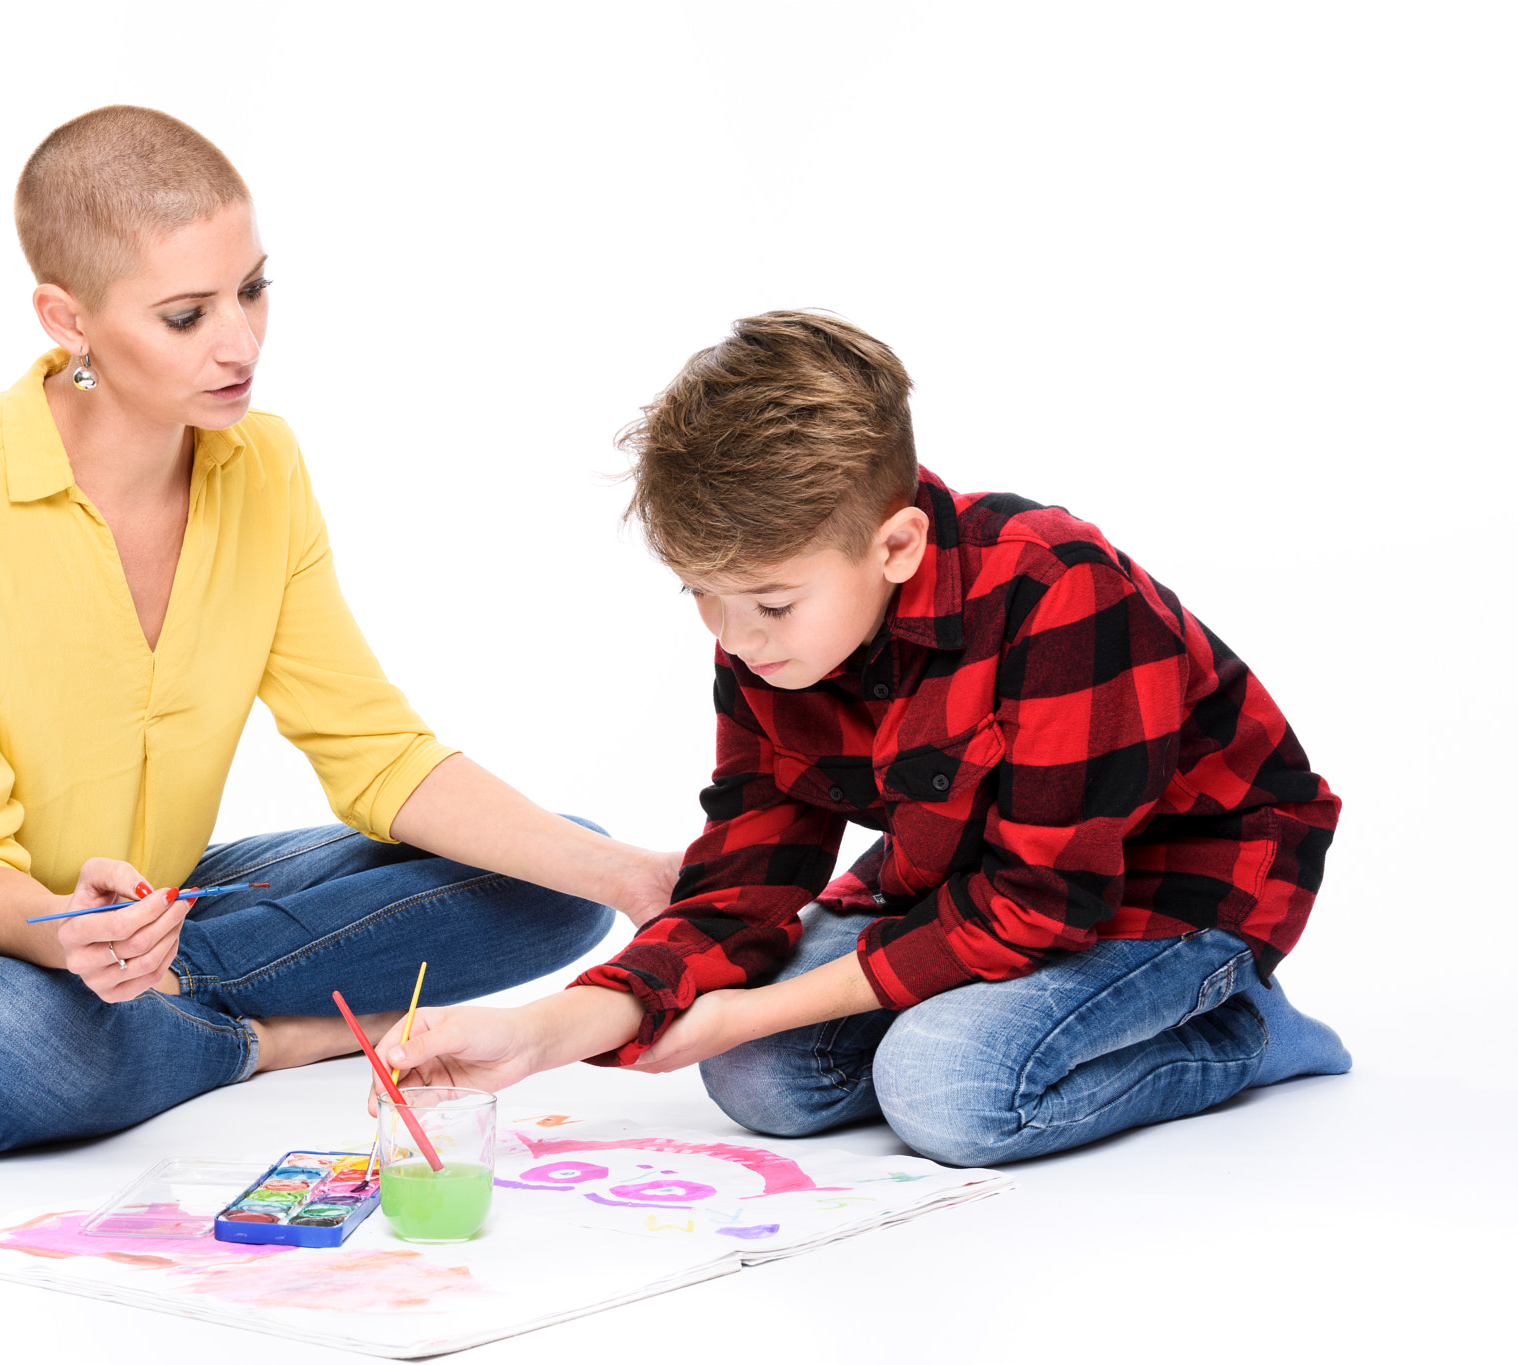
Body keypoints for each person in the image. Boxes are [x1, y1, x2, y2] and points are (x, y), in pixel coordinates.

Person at [0, 106, 676, 1152]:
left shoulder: (262, 469)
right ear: (66, 319)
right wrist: (64, 940)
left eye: (251, 289)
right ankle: (270, 1040)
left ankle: (158, 1003)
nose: (238, 342)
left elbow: (373, 750)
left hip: (154, 915)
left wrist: (631, 882)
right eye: (185, 316)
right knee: (17, 1048)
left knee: (562, 884)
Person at [380, 310, 1352, 1166]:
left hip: (1169, 887)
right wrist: (545, 1030)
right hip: (967, 869)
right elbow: (745, 876)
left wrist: (757, 1005)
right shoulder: (770, 640)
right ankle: (984, 1018)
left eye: (766, 602)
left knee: (950, 1094)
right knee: (760, 1082)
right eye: (699, 596)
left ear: (894, 545)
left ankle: (1239, 1028)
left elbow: (1041, 899)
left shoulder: (1058, 588)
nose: (730, 638)